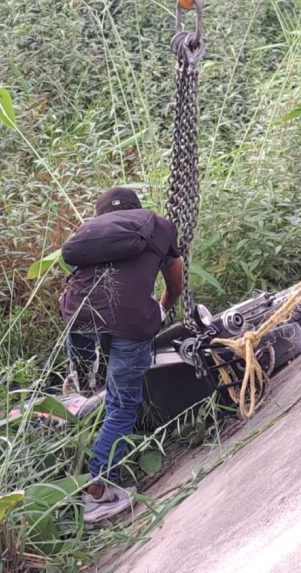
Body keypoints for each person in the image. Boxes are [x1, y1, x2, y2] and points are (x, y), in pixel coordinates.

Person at [60, 187, 183, 522]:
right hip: (129, 319)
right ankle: (99, 491)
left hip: (77, 317)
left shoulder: (89, 232)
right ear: (136, 208)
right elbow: (175, 278)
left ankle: (74, 413)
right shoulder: (156, 225)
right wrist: (164, 307)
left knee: (89, 382)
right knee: (122, 405)